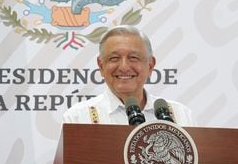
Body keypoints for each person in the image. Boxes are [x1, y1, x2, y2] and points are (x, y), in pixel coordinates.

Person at [63, 25, 196, 126]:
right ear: (101, 65)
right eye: (114, 58)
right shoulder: (78, 118)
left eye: (133, 58)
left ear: (150, 65)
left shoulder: (180, 116)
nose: (124, 67)